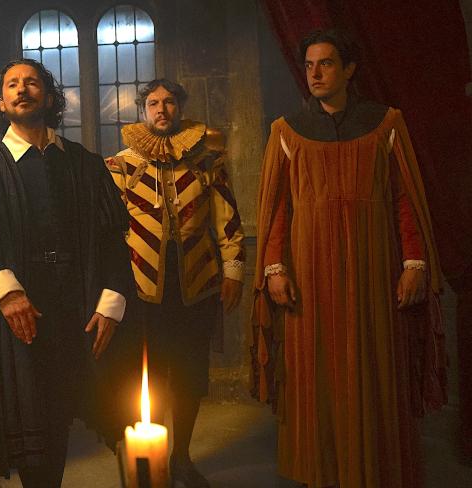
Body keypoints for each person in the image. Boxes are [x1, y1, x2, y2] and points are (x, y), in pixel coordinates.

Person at [252, 30, 446, 488]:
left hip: (372, 266)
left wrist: (414, 264)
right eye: (309, 66)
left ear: (349, 69)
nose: (315, 74)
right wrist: (274, 268)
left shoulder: (385, 124)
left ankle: (374, 470)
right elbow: (278, 207)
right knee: (315, 374)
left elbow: (404, 199)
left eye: (326, 64)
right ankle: (321, 471)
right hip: (309, 273)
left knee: (374, 368)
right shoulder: (287, 130)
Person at [0, 58, 134, 487]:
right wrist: (8, 293)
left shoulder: (83, 164)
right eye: (12, 84)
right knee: (35, 427)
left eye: (31, 82)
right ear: (1, 103)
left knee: (68, 417)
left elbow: (112, 238)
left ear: (48, 97)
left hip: (80, 311)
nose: (22, 89)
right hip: (20, 316)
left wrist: (112, 302)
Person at [105, 78, 245, 488]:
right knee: (141, 376)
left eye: (168, 102)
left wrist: (233, 271)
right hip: (140, 291)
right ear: (143, 110)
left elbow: (227, 221)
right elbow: (109, 230)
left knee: (188, 377)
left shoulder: (206, 161)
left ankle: (180, 456)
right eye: (153, 103)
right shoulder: (122, 165)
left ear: (180, 107)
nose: (161, 109)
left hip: (195, 287)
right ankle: (143, 460)